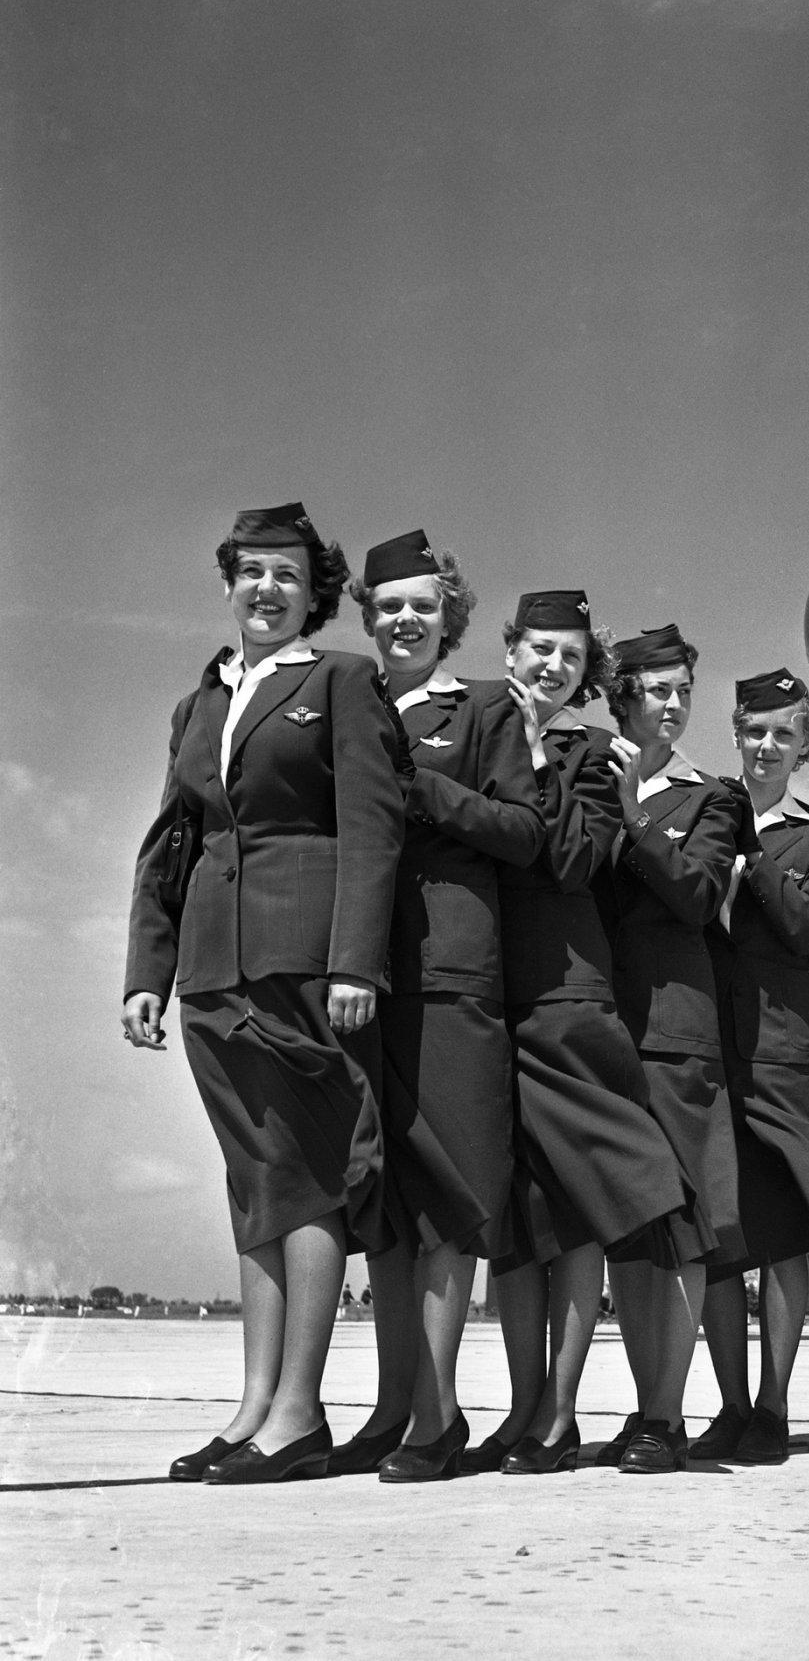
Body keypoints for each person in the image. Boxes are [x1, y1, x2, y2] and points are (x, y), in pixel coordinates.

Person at [123, 503, 406, 1484]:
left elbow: (372, 827)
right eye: (251, 571)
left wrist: (356, 959)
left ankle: (300, 1411)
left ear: (312, 589)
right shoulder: (198, 702)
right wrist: (147, 973)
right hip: (211, 967)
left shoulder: (341, 680)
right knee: (253, 1180)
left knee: (309, 1172)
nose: (267, 588)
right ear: (228, 582)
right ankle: (254, 1406)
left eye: (287, 573)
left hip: (306, 961)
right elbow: (171, 841)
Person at [329, 530, 547, 1482]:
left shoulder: (486, 706)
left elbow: (525, 831)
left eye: (424, 603)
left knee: (450, 1195)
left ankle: (439, 1413)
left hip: (452, 972)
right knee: (379, 1198)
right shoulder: (347, 703)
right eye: (389, 606)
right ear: (368, 617)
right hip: (358, 975)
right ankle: (391, 1407)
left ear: (449, 615)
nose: (406, 619)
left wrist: (419, 790)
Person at [479, 591, 691, 1476]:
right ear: (512, 651)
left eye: (571, 656)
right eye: (540, 649)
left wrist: (532, 756)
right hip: (481, 995)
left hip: (564, 996)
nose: (553, 666)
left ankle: (559, 1413)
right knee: (512, 1216)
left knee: (575, 1211)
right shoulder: (472, 724)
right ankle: (520, 1407)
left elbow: (574, 856)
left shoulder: (598, 754)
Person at [690, 669, 809, 1466]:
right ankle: (728, 1404)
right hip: (706, 1047)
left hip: (784, 1054)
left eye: (783, 734)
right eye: (754, 731)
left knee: (786, 1231)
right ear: (737, 733)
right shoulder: (700, 812)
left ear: (805, 745)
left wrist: (753, 855)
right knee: (719, 1233)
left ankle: (773, 1404)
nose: (766, 745)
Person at [596, 622, 743, 1474]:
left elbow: (695, 895)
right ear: (624, 697)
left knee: (684, 1223)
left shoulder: (711, 798)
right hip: (603, 1025)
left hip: (676, 1030)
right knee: (631, 1225)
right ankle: (646, 1402)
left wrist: (630, 814)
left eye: (684, 690)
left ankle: (666, 1412)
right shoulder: (589, 772)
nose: (676, 704)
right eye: (659, 690)